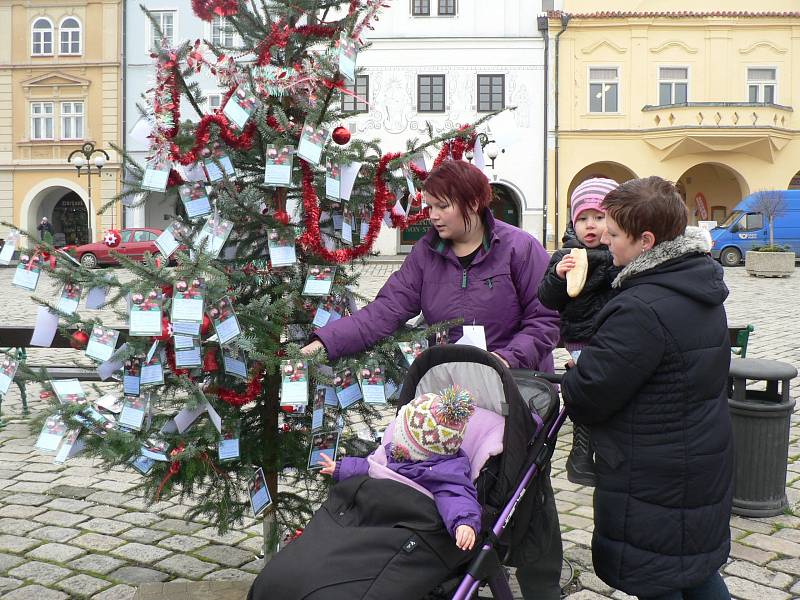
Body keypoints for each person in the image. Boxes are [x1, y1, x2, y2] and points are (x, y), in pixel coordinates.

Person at [302, 159, 563, 599]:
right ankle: (449, 568)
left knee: (523, 486)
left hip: (513, 392)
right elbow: (384, 312)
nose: (433, 215)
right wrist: (323, 342)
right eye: (429, 206)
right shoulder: (427, 254)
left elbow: (546, 320)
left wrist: (503, 361)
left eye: (443, 206)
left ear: (475, 203)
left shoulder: (519, 249)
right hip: (450, 398)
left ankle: (541, 585)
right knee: (441, 480)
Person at [561, 176, 733, 600]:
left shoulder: (640, 307)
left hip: (654, 475)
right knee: (694, 569)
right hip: (699, 459)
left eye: (615, 233)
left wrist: (573, 375)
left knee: (660, 577)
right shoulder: (697, 283)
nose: (607, 239)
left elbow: (589, 395)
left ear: (646, 242)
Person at [319, 386, 481, 551]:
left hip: (406, 525)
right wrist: (340, 467)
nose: (395, 438)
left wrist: (464, 522)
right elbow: (371, 465)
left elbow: (456, 496)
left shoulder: (443, 473)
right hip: (377, 511)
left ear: (416, 448)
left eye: (402, 437)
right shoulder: (396, 452)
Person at [537, 177, 619, 486]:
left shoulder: (616, 254)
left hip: (610, 335)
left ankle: (590, 455)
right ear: (574, 222)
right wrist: (558, 276)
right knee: (590, 393)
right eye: (583, 218)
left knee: (599, 395)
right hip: (580, 338)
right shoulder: (564, 256)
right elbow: (546, 296)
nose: (591, 225)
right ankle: (581, 457)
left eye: (599, 217)